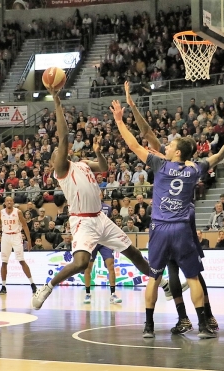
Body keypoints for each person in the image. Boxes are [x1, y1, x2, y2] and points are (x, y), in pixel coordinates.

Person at [110, 95, 224, 339]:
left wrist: (120, 121)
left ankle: (149, 326)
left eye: (171, 145)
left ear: (176, 152)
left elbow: (133, 145)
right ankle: (203, 325)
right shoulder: (195, 168)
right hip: (183, 227)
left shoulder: (160, 165)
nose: (168, 145)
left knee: (154, 276)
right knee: (193, 276)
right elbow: (218, 156)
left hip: (161, 227)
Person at [31, 89, 164, 311]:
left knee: (133, 252)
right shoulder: (61, 169)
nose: (60, 151)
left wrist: (98, 152)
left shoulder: (82, 163)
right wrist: (56, 101)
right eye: (57, 152)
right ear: (54, 160)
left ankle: (162, 281)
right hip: (82, 221)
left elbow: (103, 168)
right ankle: (48, 287)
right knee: (82, 262)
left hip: (100, 218)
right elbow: (63, 137)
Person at [0, 196, 37, 294]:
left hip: (16, 236)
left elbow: (25, 226)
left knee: (21, 260)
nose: (9, 202)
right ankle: (3, 286)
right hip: (5, 237)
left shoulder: (18, 212)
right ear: (5, 203)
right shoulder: (1, 213)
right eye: (7, 201)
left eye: (11, 201)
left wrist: (29, 240)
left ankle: (32, 284)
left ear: (13, 202)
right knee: (4, 262)